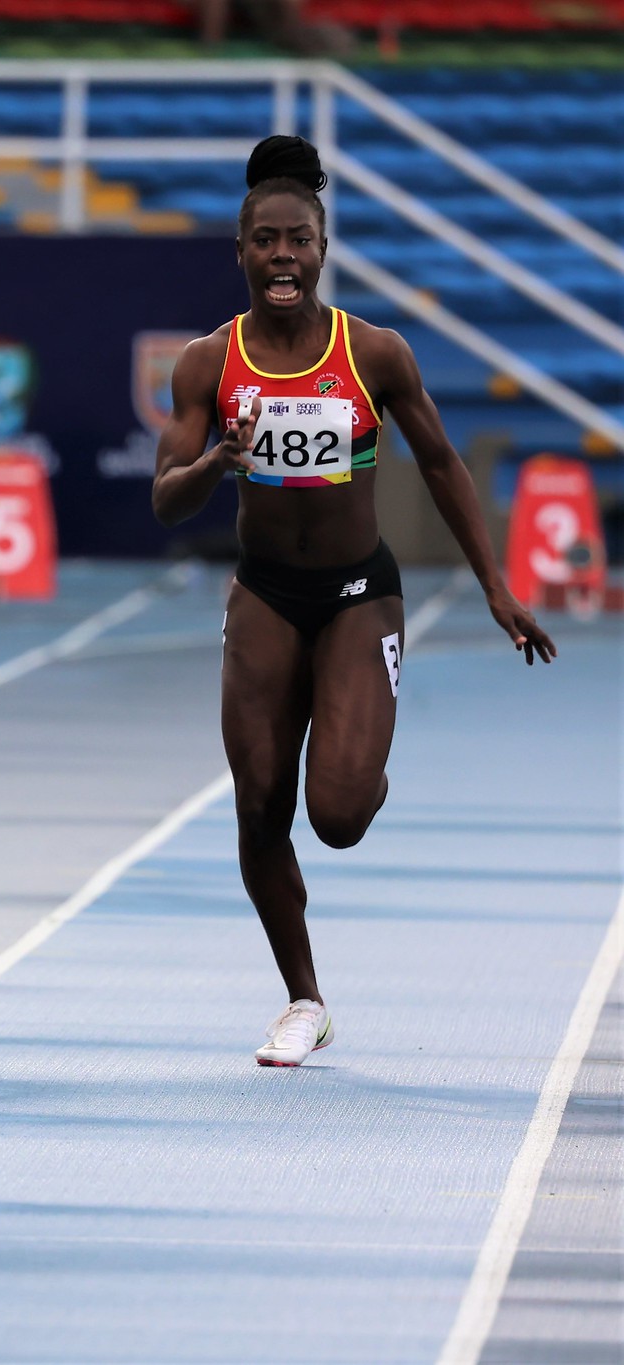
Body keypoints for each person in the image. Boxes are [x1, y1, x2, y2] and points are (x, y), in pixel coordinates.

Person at [151, 135, 554, 1067]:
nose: (281, 256)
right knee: (259, 805)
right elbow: (165, 497)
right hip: (262, 591)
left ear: (321, 248)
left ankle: (358, 751)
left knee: (334, 815)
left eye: (297, 239)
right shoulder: (206, 365)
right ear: (241, 252)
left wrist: (495, 587)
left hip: (355, 594)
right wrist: (215, 459)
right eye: (264, 241)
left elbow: (444, 463)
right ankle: (302, 998)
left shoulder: (371, 353)